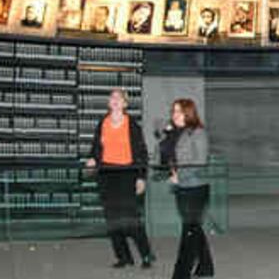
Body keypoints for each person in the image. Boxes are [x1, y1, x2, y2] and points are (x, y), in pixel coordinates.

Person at [86, 89, 154, 268]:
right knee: (112, 219)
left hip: (127, 174)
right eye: (112, 97)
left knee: (131, 218)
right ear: (109, 103)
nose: (115, 100)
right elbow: (95, 149)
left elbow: (142, 154)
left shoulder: (132, 125)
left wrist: (141, 178)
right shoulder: (102, 123)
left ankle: (146, 255)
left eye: (119, 98)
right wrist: (92, 159)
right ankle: (124, 257)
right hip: (107, 174)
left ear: (125, 104)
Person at [163, 98, 213, 279]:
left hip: (196, 188)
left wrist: (179, 176)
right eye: (173, 111)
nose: (174, 114)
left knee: (189, 232)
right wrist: (167, 135)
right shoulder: (176, 133)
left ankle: (181, 274)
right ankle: (206, 267)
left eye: (178, 111)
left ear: (188, 113)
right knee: (194, 228)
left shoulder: (198, 133)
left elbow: (200, 162)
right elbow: (165, 156)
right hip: (182, 188)